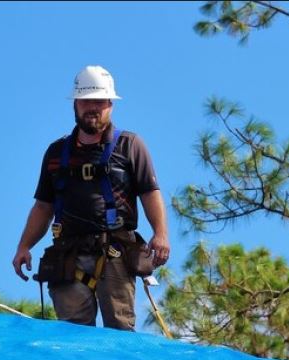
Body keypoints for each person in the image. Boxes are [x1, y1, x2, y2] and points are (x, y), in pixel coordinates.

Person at [11, 65, 170, 331]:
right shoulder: (56, 153)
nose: (92, 108)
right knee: (73, 335)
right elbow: (43, 206)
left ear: (110, 104)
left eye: (99, 101)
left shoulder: (129, 146)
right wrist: (23, 246)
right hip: (68, 254)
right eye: (86, 101)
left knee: (119, 331)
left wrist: (161, 233)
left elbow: (149, 192)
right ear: (75, 104)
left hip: (114, 251)